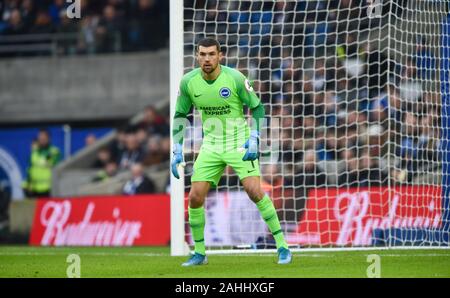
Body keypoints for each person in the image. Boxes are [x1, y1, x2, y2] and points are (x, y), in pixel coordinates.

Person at [171, 38, 292, 266]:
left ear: (220, 56)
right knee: (195, 197)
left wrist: (255, 138)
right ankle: (199, 253)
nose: (207, 59)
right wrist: (177, 146)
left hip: (238, 141)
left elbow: (257, 107)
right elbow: (180, 114)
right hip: (211, 145)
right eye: (202, 54)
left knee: (254, 191)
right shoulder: (189, 82)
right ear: (197, 56)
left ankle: (283, 246)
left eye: (211, 54)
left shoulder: (235, 78)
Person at [22, 129, 61, 197]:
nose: (42, 139)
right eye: (40, 138)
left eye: (44, 138)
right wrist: (26, 185)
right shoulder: (34, 153)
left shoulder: (54, 152)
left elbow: (54, 163)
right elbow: (30, 170)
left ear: (49, 138)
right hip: (34, 190)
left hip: (49, 189)